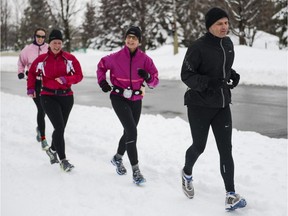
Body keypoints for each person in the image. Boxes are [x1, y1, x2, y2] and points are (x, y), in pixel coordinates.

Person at [180, 7, 247, 211]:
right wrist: (209, 83)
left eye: (226, 23)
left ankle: (230, 194)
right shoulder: (197, 47)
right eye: (219, 23)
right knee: (199, 146)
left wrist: (232, 74)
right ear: (210, 26)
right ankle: (186, 172)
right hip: (199, 105)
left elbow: (222, 68)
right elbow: (186, 75)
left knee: (226, 149)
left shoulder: (227, 44)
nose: (224, 27)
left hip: (221, 104)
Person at [96, 26, 159, 185]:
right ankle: (136, 171)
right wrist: (103, 81)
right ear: (125, 39)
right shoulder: (116, 57)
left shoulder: (145, 60)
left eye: (134, 38)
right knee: (132, 130)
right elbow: (101, 66)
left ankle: (117, 158)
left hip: (136, 99)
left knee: (129, 131)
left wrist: (148, 76)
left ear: (139, 41)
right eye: (129, 37)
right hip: (118, 97)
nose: (131, 40)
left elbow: (155, 81)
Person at [27, 29, 83, 172]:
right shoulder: (42, 60)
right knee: (59, 127)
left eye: (59, 43)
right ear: (49, 44)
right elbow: (32, 73)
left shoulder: (70, 58)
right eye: (54, 43)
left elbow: (79, 75)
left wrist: (66, 79)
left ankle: (52, 149)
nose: (57, 45)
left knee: (61, 128)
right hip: (48, 96)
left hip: (66, 97)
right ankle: (63, 160)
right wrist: (31, 88)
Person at [18, 28, 49, 150]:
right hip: (34, 82)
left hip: (47, 82)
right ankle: (43, 137)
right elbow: (21, 62)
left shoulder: (49, 48)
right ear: (34, 36)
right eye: (38, 36)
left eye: (42, 37)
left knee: (45, 108)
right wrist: (21, 72)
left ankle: (39, 128)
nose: (40, 39)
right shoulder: (27, 49)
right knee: (41, 108)